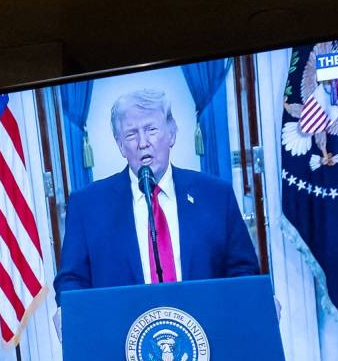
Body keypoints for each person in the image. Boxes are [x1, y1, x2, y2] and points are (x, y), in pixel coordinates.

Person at [52, 87, 260, 295]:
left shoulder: (216, 196)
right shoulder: (87, 205)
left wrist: (254, 300)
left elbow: (244, 270)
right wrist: (69, 312)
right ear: (121, 145)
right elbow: (71, 280)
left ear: (171, 134)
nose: (143, 143)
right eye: (131, 134)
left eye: (151, 130)